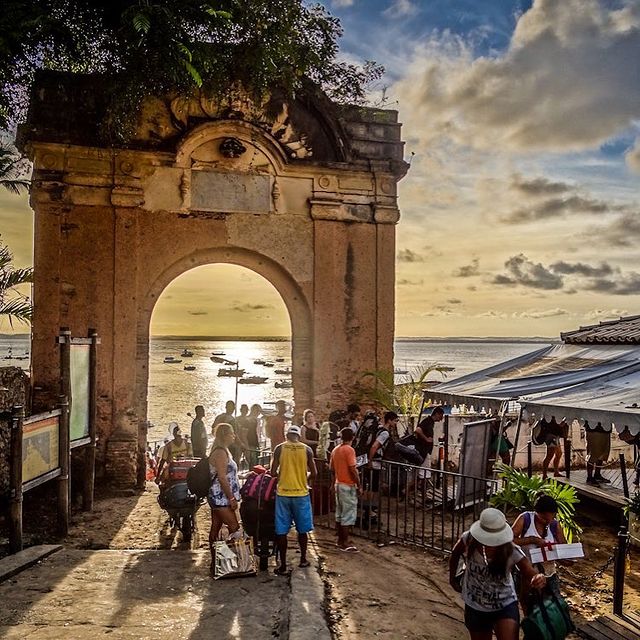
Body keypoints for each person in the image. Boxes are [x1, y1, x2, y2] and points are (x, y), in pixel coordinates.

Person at [449, 507, 546, 640]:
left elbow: (529, 571)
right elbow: (455, 554)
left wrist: (538, 578)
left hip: (504, 604)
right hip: (475, 605)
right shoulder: (468, 539)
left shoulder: (511, 551)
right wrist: (452, 578)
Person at [270, 424, 317, 575]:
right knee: (302, 529)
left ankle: (283, 565)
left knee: (282, 530)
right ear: (298, 436)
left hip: (283, 493)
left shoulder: (279, 448)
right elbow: (314, 472)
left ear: (287, 436)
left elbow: (272, 472)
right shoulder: (307, 449)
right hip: (301, 494)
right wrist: (305, 477)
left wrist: (282, 475)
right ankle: (303, 559)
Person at [512, 495, 567, 603]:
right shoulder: (525, 519)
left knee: (554, 604)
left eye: (550, 518)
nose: (547, 521)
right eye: (543, 518)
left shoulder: (554, 525)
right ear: (536, 512)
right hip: (526, 572)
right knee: (527, 601)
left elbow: (563, 548)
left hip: (548, 572)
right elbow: (509, 540)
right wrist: (532, 540)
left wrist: (563, 557)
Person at [207, 423, 241, 573]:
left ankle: (216, 564)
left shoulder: (223, 451)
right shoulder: (220, 453)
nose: (234, 435)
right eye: (232, 433)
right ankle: (227, 560)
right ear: (225, 435)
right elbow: (222, 477)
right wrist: (231, 498)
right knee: (234, 528)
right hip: (220, 497)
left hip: (219, 496)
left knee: (215, 528)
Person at [330, 427, 362, 552]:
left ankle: (340, 539)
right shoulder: (349, 450)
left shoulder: (335, 449)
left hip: (338, 484)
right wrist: (359, 485)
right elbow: (353, 469)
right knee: (348, 514)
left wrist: (333, 483)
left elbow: (332, 469)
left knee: (340, 513)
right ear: (352, 437)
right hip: (347, 484)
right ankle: (344, 542)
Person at [366, 411, 398, 494]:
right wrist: (370, 461)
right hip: (375, 462)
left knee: (371, 486)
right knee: (373, 487)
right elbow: (374, 446)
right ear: (389, 421)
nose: (395, 423)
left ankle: (369, 504)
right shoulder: (385, 433)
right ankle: (371, 505)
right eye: (395, 421)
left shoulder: (379, 429)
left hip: (373, 460)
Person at [585, 420, 611, 485]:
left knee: (602, 453)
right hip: (594, 430)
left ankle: (597, 474)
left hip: (605, 429)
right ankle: (589, 477)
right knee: (593, 454)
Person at [245, 404, 262, 468]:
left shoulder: (253, 420)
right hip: (250, 443)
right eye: (258, 411)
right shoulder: (250, 420)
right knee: (253, 462)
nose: (259, 413)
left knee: (253, 461)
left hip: (253, 443)